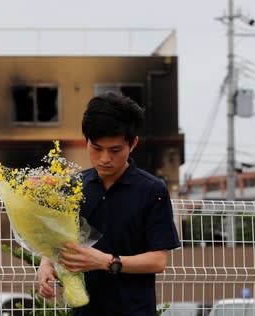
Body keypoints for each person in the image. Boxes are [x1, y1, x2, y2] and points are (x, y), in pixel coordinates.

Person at [37, 92, 181, 315]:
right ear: (86, 141)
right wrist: (46, 264)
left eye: (115, 150)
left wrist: (106, 261)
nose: (105, 158)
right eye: (96, 148)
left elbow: (158, 260)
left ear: (133, 144)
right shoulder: (73, 186)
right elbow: (59, 240)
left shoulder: (152, 190)